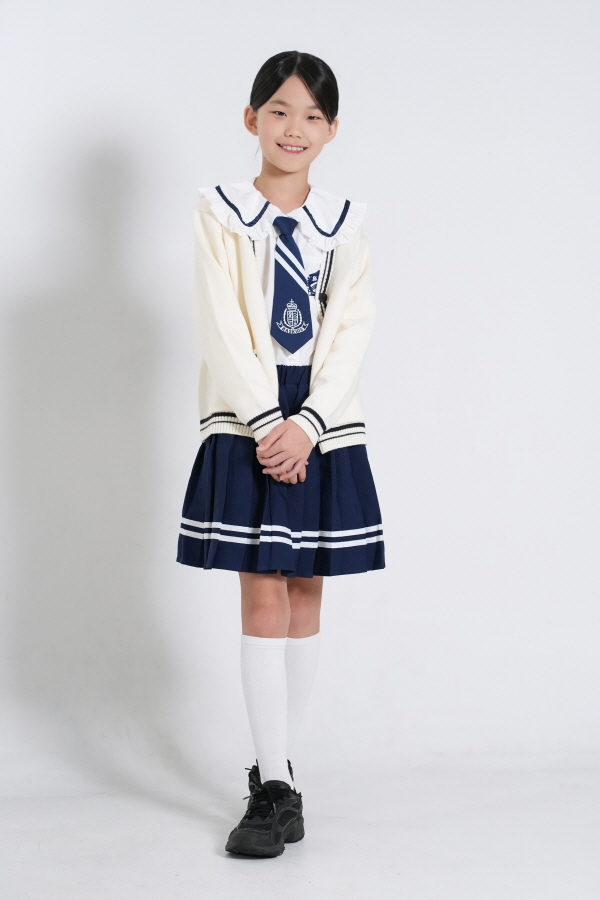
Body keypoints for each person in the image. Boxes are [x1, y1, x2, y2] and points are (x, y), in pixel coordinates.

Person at [176, 50, 385, 858]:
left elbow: (352, 327)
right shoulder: (220, 213)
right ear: (251, 118)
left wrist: (311, 423)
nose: (294, 128)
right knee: (262, 586)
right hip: (248, 414)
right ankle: (270, 785)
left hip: (322, 420)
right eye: (279, 111)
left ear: (332, 131)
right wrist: (269, 422)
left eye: (312, 116)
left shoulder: (344, 225)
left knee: (305, 588)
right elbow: (221, 322)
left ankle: (282, 770)